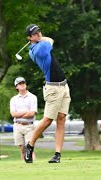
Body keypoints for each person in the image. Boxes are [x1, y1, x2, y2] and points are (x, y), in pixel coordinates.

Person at [24, 24, 71, 163]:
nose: (38, 34)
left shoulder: (37, 44)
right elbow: (50, 40)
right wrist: (41, 39)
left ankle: (57, 154)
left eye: (39, 32)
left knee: (61, 118)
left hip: (63, 86)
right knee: (47, 120)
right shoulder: (39, 49)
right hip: (53, 89)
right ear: (29, 38)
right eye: (35, 33)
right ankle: (30, 145)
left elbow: (47, 39)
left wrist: (38, 38)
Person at [10, 77, 37, 161]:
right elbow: (13, 114)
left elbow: (32, 113)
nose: (22, 85)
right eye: (20, 83)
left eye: (23, 83)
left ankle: (33, 163)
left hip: (28, 125)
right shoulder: (13, 99)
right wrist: (25, 112)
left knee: (29, 147)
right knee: (22, 148)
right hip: (17, 125)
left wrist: (19, 114)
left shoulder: (32, 97)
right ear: (16, 87)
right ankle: (23, 165)